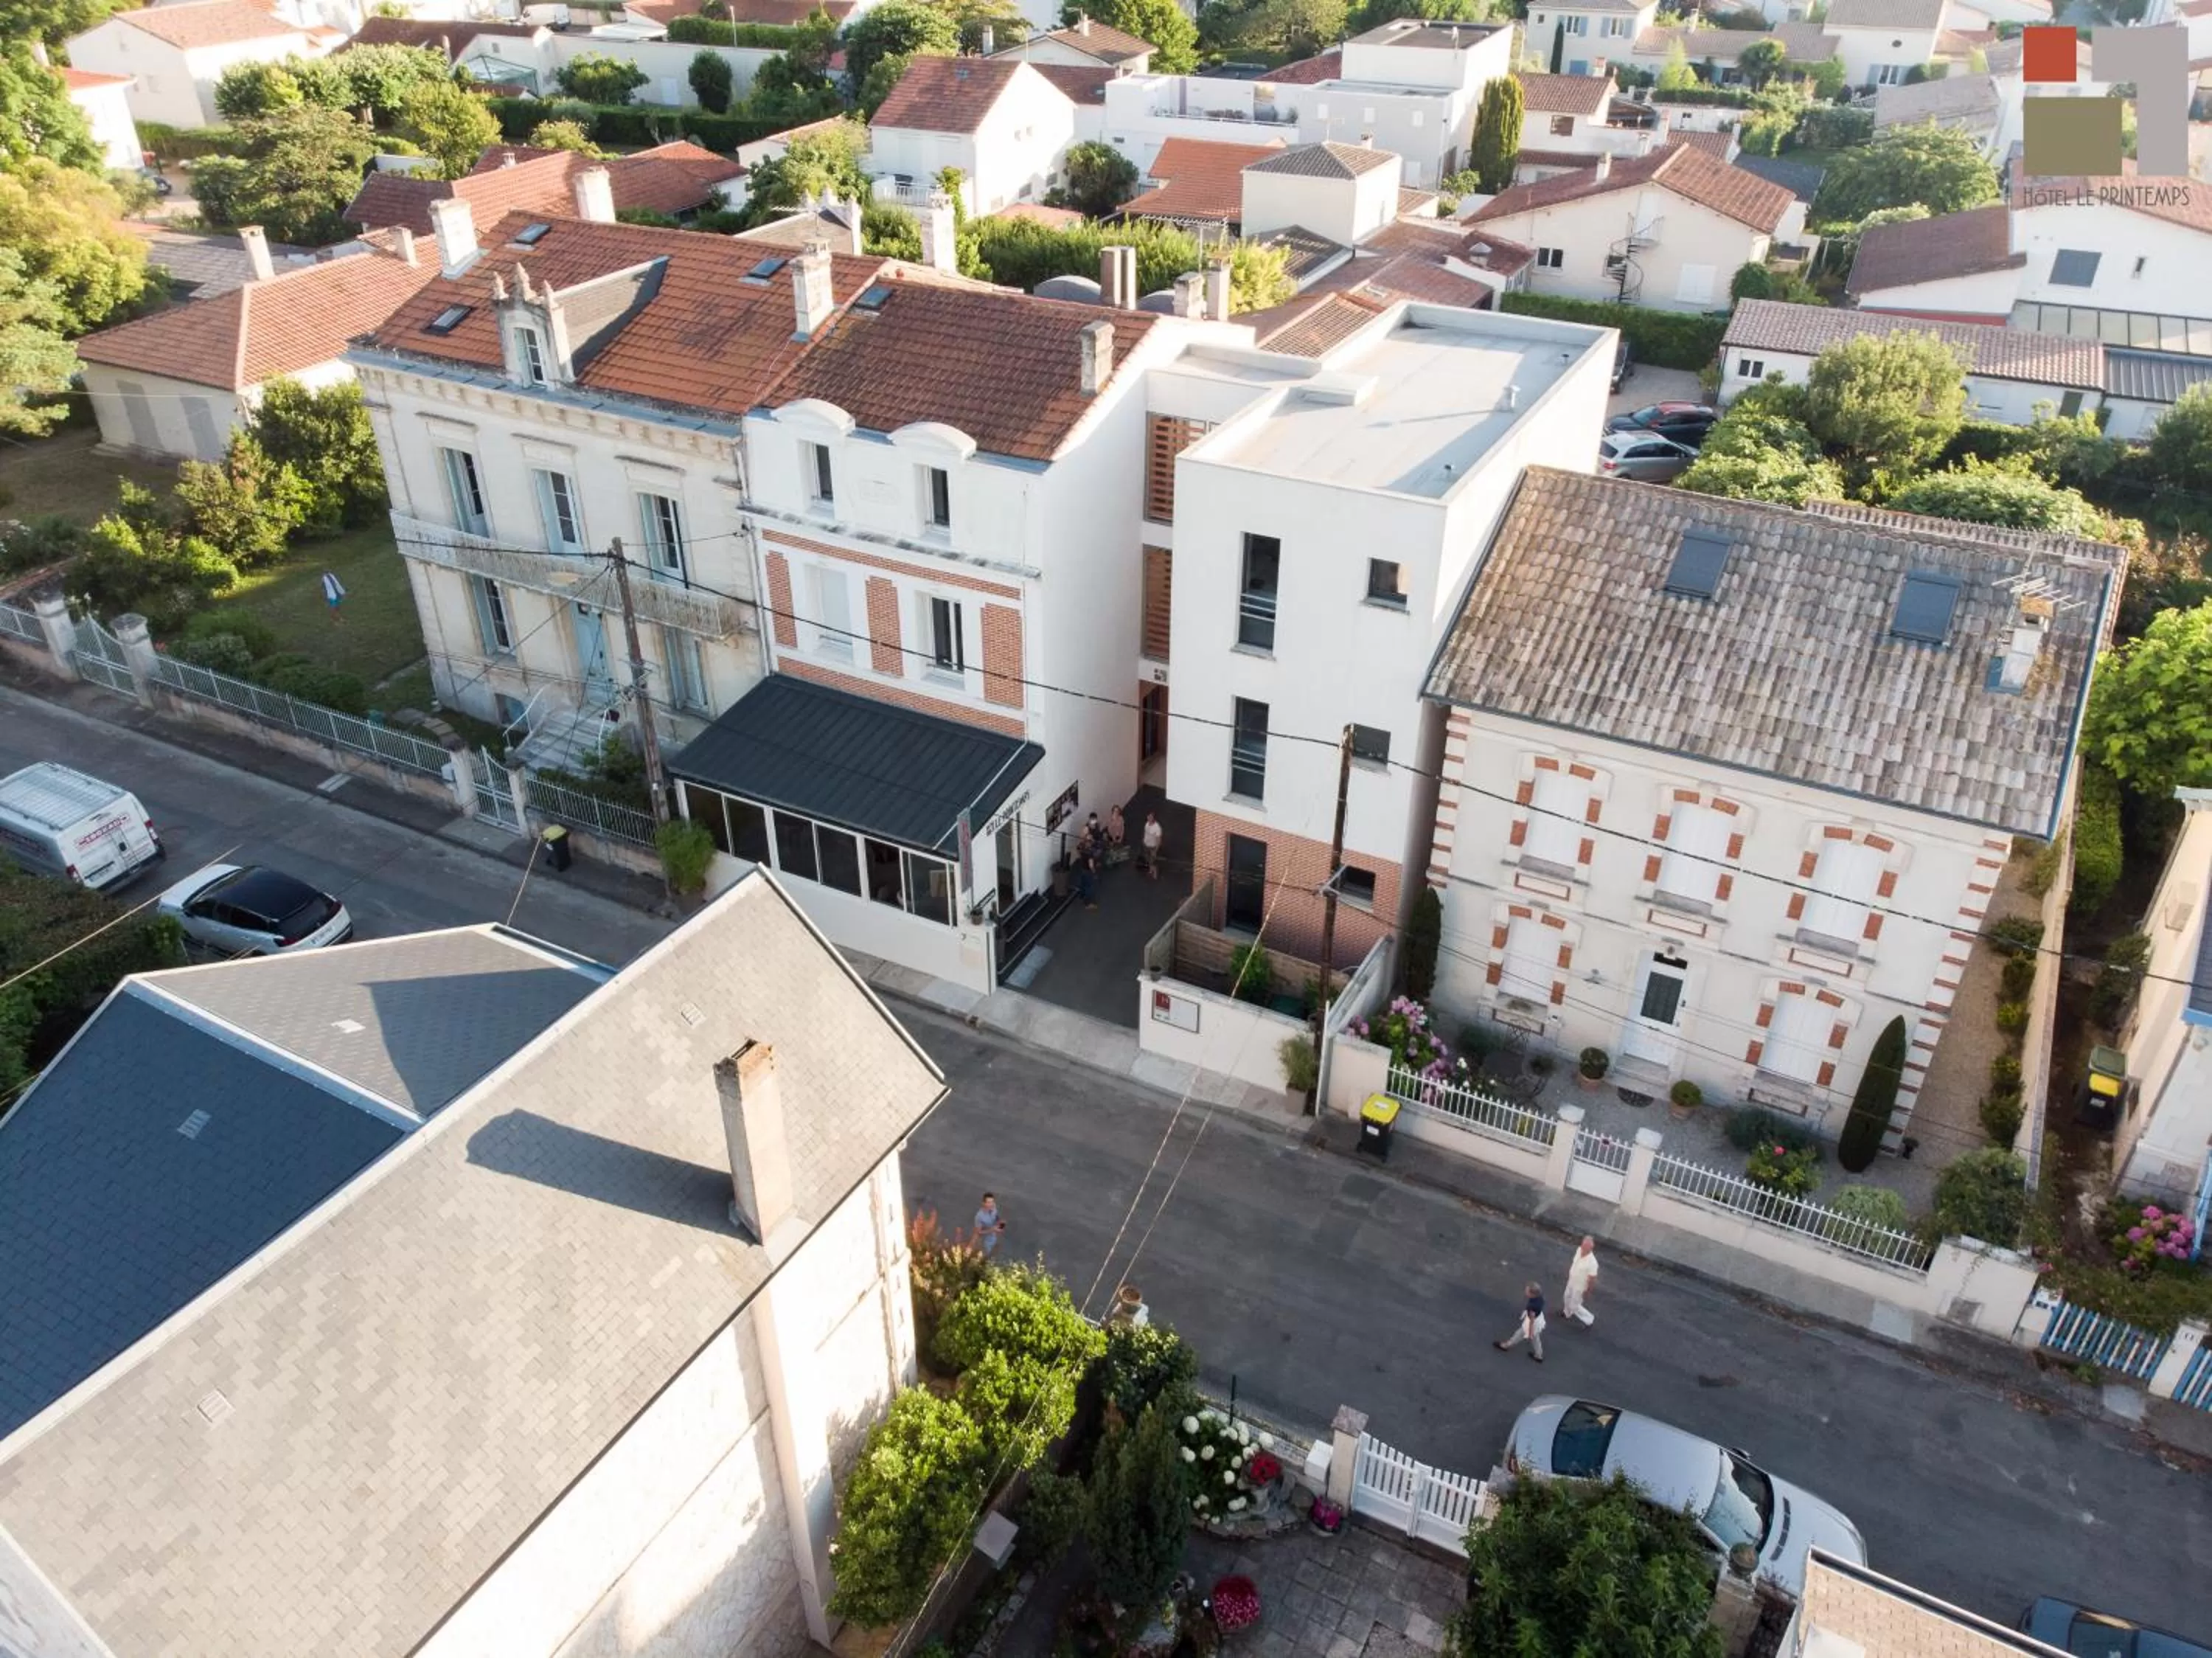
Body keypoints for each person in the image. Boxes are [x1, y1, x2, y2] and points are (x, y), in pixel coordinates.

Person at [1494, 1281, 1545, 1362]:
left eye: (1527, 1291)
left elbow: (1532, 1320)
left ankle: (1506, 1345)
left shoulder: (1533, 1306)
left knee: (1520, 1333)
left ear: (1532, 1294)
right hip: (1538, 1319)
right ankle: (1539, 1355)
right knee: (1535, 1338)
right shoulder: (1540, 1298)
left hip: (1533, 1322)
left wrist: (1530, 1332)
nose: (1525, 1291)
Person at [1562, 1236, 1600, 1326]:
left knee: (1575, 1306)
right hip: (1572, 1281)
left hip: (1580, 1287)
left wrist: (1588, 1291)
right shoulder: (1579, 1250)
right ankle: (1567, 1313)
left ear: (1591, 1248)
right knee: (1566, 1297)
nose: (1583, 1248)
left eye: (1585, 1247)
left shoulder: (1593, 1263)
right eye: (1583, 1245)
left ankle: (1589, 1319)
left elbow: (1592, 1279)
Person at [975, 1193, 1006, 1258]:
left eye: (992, 1202)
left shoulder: (994, 1208)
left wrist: (1000, 1221)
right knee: (986, 1255)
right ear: (983, 1203)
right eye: (989, 1203)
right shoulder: (979, 1217)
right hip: (986, 1241)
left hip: (995, 1236)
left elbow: (996, 1216)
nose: (991, 1205)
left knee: (996, 1252)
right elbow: (978, 1232)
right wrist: (992, 1230)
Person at [1141, 810, 1164, 881]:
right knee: (1148, 859)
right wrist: (1144, 840)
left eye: (1151, 817)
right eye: (1148, 816)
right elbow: (1146, 832)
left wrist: (1155, 851)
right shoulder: (1147, 823)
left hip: (1152, 847)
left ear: (1154, 818)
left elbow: (1159, 840)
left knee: (1152, 860)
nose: (1149, 818)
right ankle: (1151, 870)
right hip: (1146, 844)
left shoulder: (1157, 828)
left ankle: (1155, 872)